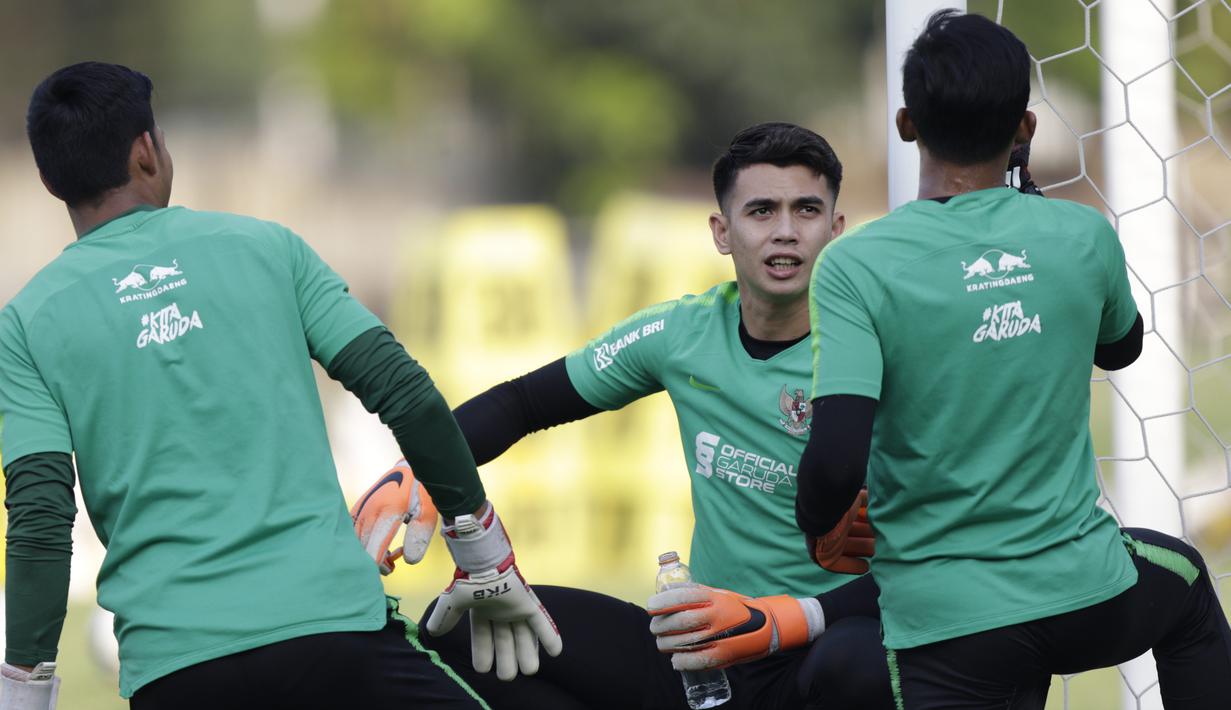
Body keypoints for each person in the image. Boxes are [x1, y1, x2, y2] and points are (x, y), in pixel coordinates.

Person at [0, 61, 559, 710]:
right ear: (147, 151)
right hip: (333, 635)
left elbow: (40, 519)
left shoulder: (27, 322)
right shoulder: (267, 248)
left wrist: (24, 694)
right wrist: (480, 545)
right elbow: (403, 392)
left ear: (48, 179)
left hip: (175, 670)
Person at [356, 122, 893, 709]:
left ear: (837, 228)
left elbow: (939, 552)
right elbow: (523, 403)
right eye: (762, 210)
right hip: (701, 655)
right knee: (463, 624)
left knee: (862, 659)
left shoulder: (882, 351)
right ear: (722, 231)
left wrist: (793, 619)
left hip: (820, 646)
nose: (786, 232)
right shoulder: (680, 332)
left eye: (807, 210)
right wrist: (423, 470)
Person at [793, 11, 1231, 709]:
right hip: (1084, 596)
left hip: (947, 625)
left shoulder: (855, 265)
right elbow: (1121, 347)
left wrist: (818, 524)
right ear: (1024, 129)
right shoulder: (1080, 234)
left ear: (906, 124)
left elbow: (835, 464)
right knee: (1181, 587)